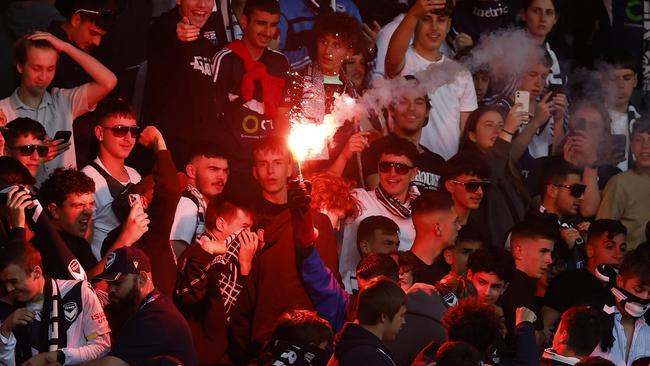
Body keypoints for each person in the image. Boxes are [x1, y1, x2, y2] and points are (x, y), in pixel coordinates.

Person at [228, 136, 322, 362]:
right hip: (260, 328)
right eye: (263, 163)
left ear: (290, 168)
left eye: (278, 162)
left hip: (304, 329)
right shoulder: (244, 219)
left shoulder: (315, 220)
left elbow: (322, 278)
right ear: (254, 171)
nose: (270, 170)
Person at [0, 31, 117, 184]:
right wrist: (37, 154)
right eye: (36, 68)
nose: (43, 77)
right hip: (22, 200)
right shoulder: (3, 110)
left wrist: (66, 47)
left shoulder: (63, 100)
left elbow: (109, 81)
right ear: (20, 67)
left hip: (67, 201)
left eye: (50, 69)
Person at [143, 0, 239, 166]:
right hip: (168, 154)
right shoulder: (162, 30)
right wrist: (175, 30)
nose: (202, 5)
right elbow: (158, 32)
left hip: (200, 157)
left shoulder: (206, 44)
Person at [213, 0, 290, 199]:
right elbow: (212, 114)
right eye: (261, 23)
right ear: (245, 21)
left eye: (273, 25)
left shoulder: (280, 62)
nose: (267, 31)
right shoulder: (226, 58)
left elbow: (283, 118)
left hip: (269, 170)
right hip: (235, 167)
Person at [385, 0, 478, 159]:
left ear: (449, 25)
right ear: (415, 22)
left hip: (446, 169)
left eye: (441, 21)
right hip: (403, 167)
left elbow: (466, 134)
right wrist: (414, 13)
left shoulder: (461, 73)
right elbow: (392, 61)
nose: (434, 27)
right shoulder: (404, 60)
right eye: (426, 19)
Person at [175, 196, 260, 365]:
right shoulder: (195, 253)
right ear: (221, 224)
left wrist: (245, 266)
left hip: (229, 356)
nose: (249, 236)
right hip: (198, 356)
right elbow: (188, 296)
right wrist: (206, 254)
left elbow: (245, 312)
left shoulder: (242, 260)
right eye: (244, 228)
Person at [0, 244, 110, 365]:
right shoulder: (5, 308)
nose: (9, 289)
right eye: (4, 283)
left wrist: (58, 357)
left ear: (36, 272)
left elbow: (102, 346)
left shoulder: (78, 291)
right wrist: (5, 330)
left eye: (13, 281)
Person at [89, 246, 197, 366]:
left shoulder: (156, 319)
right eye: (109, 284)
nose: (111, 290)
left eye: (118, 283)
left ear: (142, 279)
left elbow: (113, 364)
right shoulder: (141, 306)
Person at [338, 137, 418, 290]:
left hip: (397, 300)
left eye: (400, 168)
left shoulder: (422, 211)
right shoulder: (358, 199)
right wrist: (343, 157)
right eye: (385, 166)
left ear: (414, 173)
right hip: (352, 293)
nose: (392, 174)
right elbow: (322, 194)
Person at [458, 105, 530, 248]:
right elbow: (487, 176)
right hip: (487, 255)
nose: (497, 131)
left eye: (501, 126)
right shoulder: (464, 167)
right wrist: (507, 131)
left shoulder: (510, 170)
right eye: (488, 125)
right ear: (472, 135)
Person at [357, 76, 446, 192]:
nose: (411, 108)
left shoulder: (437, 162)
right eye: (403, 102)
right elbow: (381, 199)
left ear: (427, 112)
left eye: (418, 102)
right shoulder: (377, 151)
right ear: (392, 110)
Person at [542, 219, 627, 336]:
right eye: (609, 246)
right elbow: (544, 327)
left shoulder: (623, 288)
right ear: (590, 250)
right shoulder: (568, 282)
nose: (619, 255)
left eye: (622, 248)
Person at [81, 98, 142, 259]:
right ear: (100, 133)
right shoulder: (87, 178)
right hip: (104, 273)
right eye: (120, 130)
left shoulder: (135, 175)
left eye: (134, 131)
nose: (129, 138)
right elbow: (81, 240)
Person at [498, 218, 556, 347]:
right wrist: (543, 334)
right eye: (543, 251)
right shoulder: (516, 287)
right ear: (519, 251)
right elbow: (529, 340)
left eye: (550, 253)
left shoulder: (522, 285)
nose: (549, 260)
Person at [589, 249, 650, 365]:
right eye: (638, 289)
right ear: (619, 281)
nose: (644, 297)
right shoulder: (591, 318)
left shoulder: (648, 331)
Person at [328, 276, 406, 365]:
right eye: (401, 315)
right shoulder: (370, 358)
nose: (403, 321)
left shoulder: (354, 346)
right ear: (384, 316)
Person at [597, 118, 650, 249]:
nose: (645, 146)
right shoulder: (619, 183)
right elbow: (602, 234)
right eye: (638, 140)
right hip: (631, 265)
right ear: (631, 146)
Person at [170, 146, 229, 258]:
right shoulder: (188, 204)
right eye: (213, 169)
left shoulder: (204, 206)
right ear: (191, 171)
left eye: (225, 171)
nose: (221, 177)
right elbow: (175, 254)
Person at [36, 168, 98, 274]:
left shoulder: (79, 243)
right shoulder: (47, 249)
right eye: (79, 205)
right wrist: (124, 239)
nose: (88, 211)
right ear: (54, 210)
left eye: (91, 204)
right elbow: (92, 286)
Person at [276, 0, 362, 71]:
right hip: (299, 81)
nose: (328, 50)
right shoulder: (284, 6)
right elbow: (275, 61)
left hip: (339, 81)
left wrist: (370, 50)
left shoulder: (349, 7)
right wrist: (311, 53)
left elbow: (357, 57)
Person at [48, 0, 114, 89]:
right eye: (93, 33)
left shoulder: (86, 47)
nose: (97, 42)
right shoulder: (48, 49)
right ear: (76, 20)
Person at [403, 190, 460, 286]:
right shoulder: (403, 273)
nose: (459, 227)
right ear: (438, 228)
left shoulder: (449, 269)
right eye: (455, 222)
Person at [604, 48, 642, 172]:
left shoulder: (643, 122)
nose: (620, 85)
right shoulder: (591, 119)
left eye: (627, 78)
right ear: (604, 82)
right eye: (614, 79)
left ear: (635, 80)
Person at [250, 310, 333, 366]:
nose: (324, 352)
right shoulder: (302, 362)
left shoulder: (266, 357)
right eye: (324, 347)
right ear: (312, 345)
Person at [341, 215, 400, 293]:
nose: (395, 250)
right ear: (365, 247)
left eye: (397, 244)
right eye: (388, 243)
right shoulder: (344, 287)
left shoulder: (406, 283)